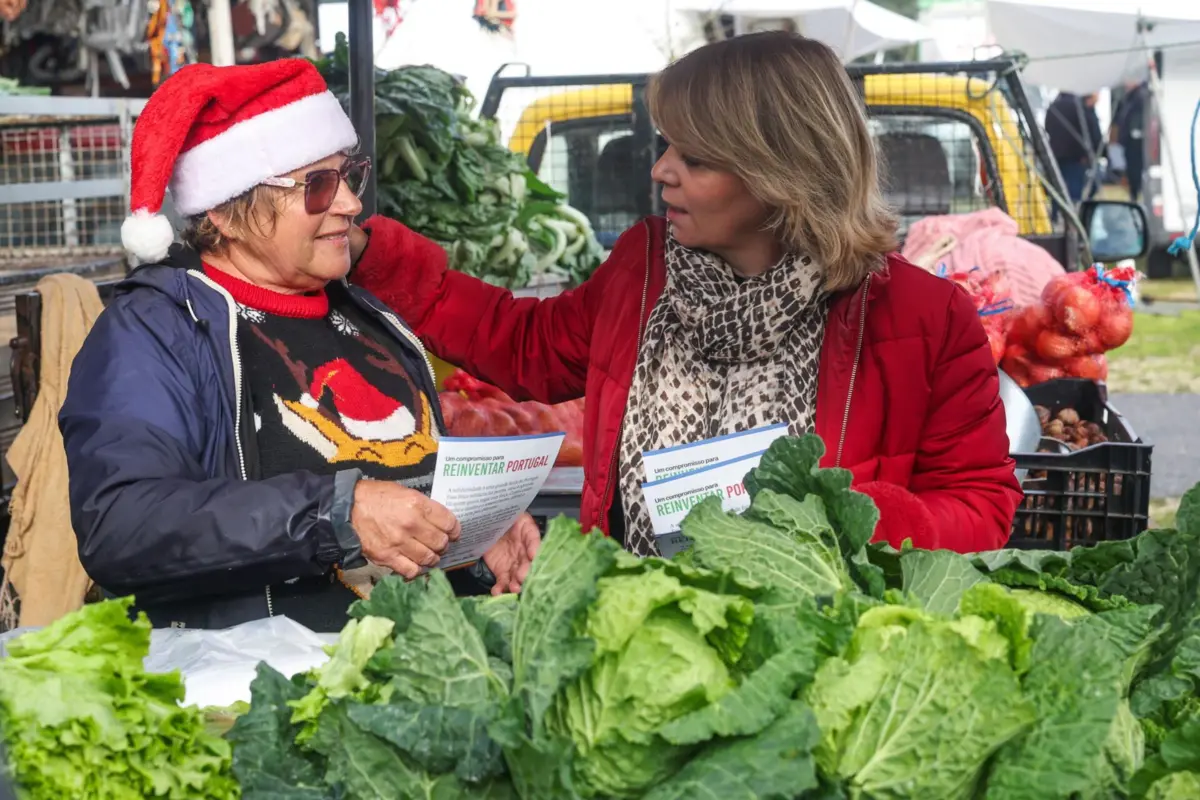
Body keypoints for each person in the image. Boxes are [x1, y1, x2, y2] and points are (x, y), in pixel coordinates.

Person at [347, 31, 1023, 557]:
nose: (660, 170)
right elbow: (527, 349)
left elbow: (982, 508)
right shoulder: (641, 269)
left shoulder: (925, 320)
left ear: (781, 172)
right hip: (638, 640)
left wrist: (845, 517)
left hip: (823, 653)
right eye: (669, 146)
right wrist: (374, 256)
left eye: (694, 158)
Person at [59, 59, 540, 632]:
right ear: (225, 210)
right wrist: (334, 515)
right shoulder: (155, 330)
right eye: (316, 185)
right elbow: (123, 523)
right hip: (259, 691)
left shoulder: (367, 312)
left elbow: (401, 468)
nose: (350, 205)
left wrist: (477, 524)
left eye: (348, 176)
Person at [1046, 91, 1104, 205]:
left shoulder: (1053, 107)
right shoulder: (1079, 107)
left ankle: (1055, 213)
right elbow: (1089, 130)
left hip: (1056, 154)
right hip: (1076, 155)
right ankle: (1074, 210)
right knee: (1074, 188)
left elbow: (1048, 127)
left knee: (1057, 186)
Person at [1112, 79, 1148, 204]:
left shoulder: (1139, 97)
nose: (1126, 83)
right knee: (1132, 172)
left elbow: (1135, 120)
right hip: (1131, 142)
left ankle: (1136, 195)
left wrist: (1133, 133)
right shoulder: (1130, 98)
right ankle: (1134, 196)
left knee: (1135, 172)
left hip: (1135, 143)